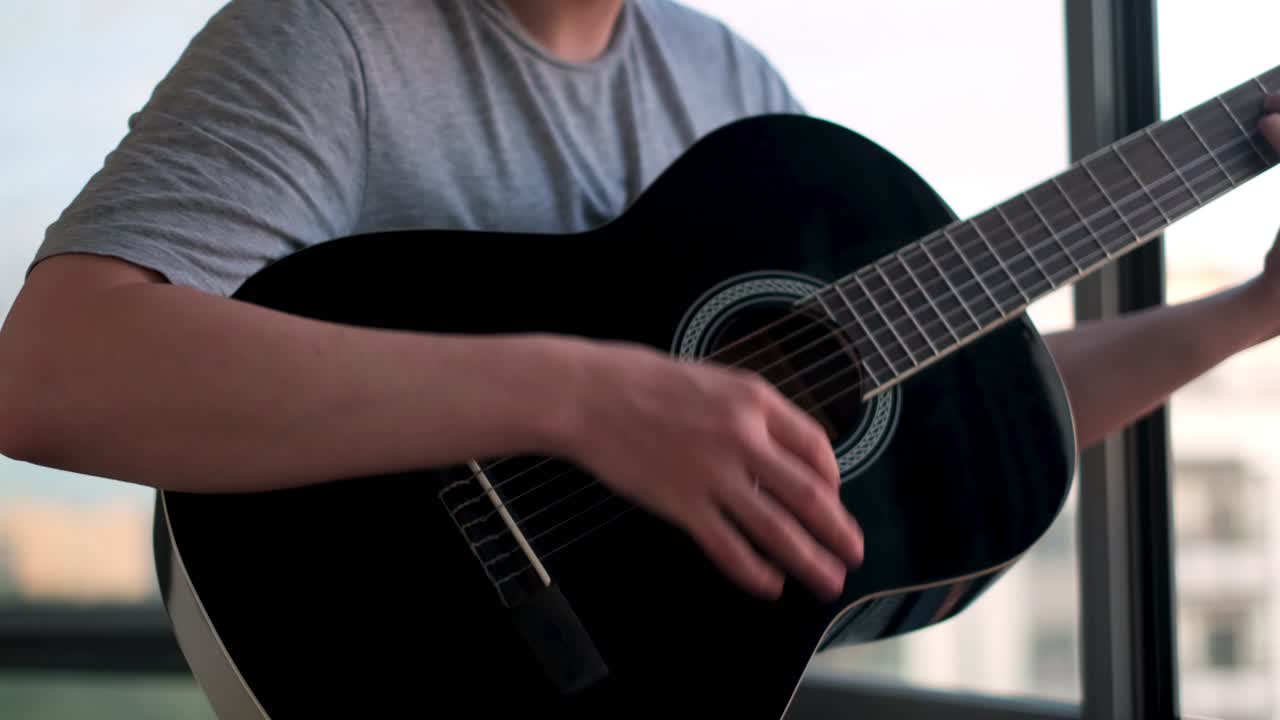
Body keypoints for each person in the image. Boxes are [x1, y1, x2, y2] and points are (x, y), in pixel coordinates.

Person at [1, 0, 1278, 606]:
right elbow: (53, 374)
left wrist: (1248, 312)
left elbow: (968, 407)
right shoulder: (331, 39)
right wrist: (579, 399)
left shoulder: (735, 87)